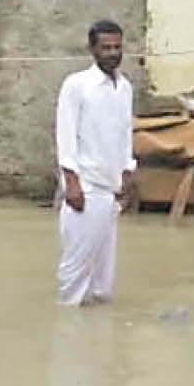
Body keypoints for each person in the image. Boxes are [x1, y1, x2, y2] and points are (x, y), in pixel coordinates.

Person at [55, 19, 136, 307]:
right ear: (92, 49)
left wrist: (127, 172)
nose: (113, 53)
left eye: (117, 47)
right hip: (85, 187)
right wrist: (71, 183)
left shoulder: (124, 87)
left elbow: (125, 132)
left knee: (104, 273)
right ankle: (67, 325)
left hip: (110, 188)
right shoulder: (77, 85)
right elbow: (65, 134)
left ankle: (98, 336)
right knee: (74, 269)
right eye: (106, 48)